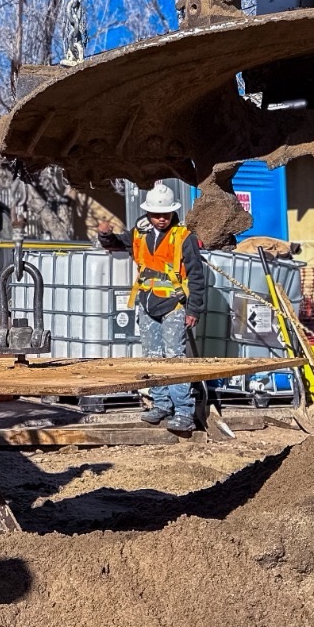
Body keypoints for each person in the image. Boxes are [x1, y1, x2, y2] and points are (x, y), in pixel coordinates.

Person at [98, 182, 206, 436]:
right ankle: (161, 404)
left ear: (172, 212)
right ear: (148, 213)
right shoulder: (140, 232)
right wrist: (105, 235)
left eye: (165, 214)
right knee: (153, 356)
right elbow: (117, 243)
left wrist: (194, 310)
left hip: (174, 304)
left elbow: (196, 276)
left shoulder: (184, 237)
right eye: (156, 214)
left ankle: (183, 412)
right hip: (147, 303)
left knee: (174, 358)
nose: (161, 219)